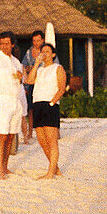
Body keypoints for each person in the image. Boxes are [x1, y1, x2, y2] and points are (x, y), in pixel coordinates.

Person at [25, 42, 67, 178]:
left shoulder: (58, 68)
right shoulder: (39, 69)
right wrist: (36, 64)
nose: (44, 54)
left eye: (47, 51)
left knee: (51, 140)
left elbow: (61, 88)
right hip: (37, 104)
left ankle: (50, 172)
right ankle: (55, 168)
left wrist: (52, 102)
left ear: (53, 54)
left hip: (50, 105)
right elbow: (29, 81)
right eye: (42, 51)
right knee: (42, 140)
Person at [0, 31, 24, 179]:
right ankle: (0, 169)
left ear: (12, 44)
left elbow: (20, 81)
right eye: (2, 43)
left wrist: (21, 77)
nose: (4, 46)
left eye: (7, 43)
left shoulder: (16, 61)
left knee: (10, 136)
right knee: (2, 136)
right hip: (3, 101)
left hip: (16, 100)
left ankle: (6, 166)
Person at [20, 30, 45, 145]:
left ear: (42, 40)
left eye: (38, 40)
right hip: (31, 83)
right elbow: (24, 65)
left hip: (42, 83)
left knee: (42, 107)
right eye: (34, 40)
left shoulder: (46, 51)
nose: (36, 43)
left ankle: (43, 130)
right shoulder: (29, 52)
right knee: (30, 109)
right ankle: (30, 131)